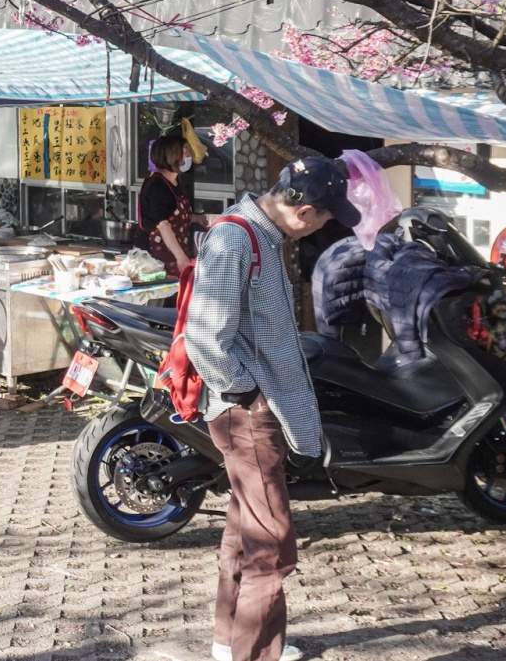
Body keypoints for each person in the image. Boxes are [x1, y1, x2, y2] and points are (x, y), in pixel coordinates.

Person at [183, 157, 359, 661]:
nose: (322, 227)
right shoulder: (237, 238)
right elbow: (205, 338)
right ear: (304, 211)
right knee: (273, 546)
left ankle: (228, 642)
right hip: (246, 416)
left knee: (245, 531)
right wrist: (248, 395)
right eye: (326, 218)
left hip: (252, 411)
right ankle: (256, 653)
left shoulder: (259, 235)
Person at [135, 134, 210, 276]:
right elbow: (163, 225)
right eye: (185, 151)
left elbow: (175, 216)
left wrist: (196, 218)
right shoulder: (157, 185)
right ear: (173, 155)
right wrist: (181, 258)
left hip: (174, 255)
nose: (188, 155)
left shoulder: (175, 182)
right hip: (153, 258)